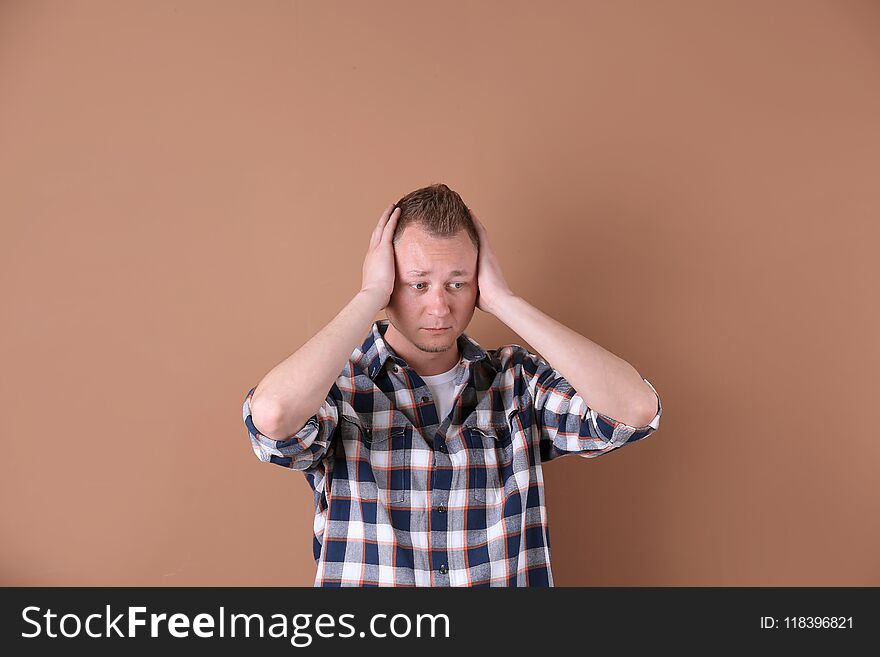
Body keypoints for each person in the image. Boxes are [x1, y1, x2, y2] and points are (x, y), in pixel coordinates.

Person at [242, 183, 662, 586]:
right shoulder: (338, 384)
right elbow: (273, 417)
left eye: (457, 283)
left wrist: (504, 301)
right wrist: (369, 294)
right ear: (390, 282)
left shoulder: (516, 380)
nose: (439, 306)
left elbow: (634, 411)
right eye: (418, 284)